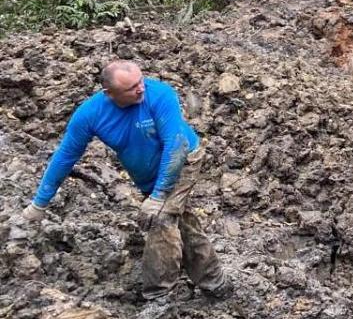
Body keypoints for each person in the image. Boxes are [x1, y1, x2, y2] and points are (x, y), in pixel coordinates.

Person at [10, 60, 226, 304]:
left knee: (161, 218)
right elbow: (65, 157)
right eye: (132, 87)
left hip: (183, 160)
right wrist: (39, 204)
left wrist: (158, 195)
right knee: (182, 224)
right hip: (148, 174)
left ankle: (159, 297)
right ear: (109, 93)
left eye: (141, 82)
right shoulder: (91, 114)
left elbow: (176, 145)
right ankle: (215, 282)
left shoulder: (160, 95)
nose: (140, 89)